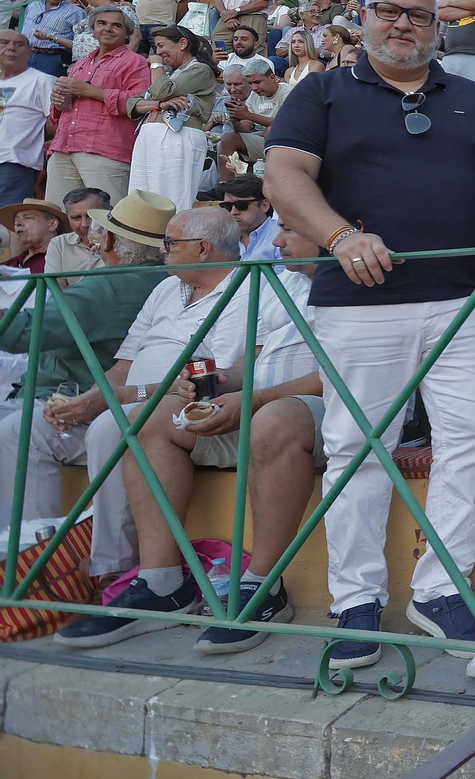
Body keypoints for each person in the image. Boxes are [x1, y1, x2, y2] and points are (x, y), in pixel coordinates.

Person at [263, 0, 475, 670]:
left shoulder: (472, 97)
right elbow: (282, 176)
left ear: (439, 24)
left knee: (471, 441)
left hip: (465, 300)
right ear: (363, 15)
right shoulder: (323, 91)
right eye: (388, 10)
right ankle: (355, 602)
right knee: (356, 449)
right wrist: (340, 236)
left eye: (420, 14)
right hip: (358, 301)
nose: (403, 24)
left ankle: (439, 588)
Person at [52, 219, 326, 651]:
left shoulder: (347, 283)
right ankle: (162, 583)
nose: (273, 240)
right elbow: (252, 364)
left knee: (274, 421)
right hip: (256, 406)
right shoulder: (286, 280)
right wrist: (215, 381)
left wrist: (252, 399)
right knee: (147, 418)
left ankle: (262, 587)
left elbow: (343, 376)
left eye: (289, 228)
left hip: (322, 414)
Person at [0, 191, 171, 534]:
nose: (91, 234)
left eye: (98, 228)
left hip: (71, 400)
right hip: (79, 398)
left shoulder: (112, 284)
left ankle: (33, 560)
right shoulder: (161, 279)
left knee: (15, 432)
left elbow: (22, 332)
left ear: (108, 239)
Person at [46, 5, 148, 205]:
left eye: (116, 25)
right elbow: (61, 113)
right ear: (93, 29)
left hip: (105, 150)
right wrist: (58, 102)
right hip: (64, 146)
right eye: (102, 23)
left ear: (127, 32)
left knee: (107, 220)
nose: (108, 29)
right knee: (58, 215)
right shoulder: (80, 64)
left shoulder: (135, 62)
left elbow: (140, 102)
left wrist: (89, 91)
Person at [126, 26, 216, 211]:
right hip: (149, 137)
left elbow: (161, 91)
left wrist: (156, 64)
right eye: (156, 49)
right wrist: (160, 105)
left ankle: (173, 239)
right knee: (140, 200)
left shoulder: (201, 70)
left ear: (182, 43)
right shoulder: (172, 75)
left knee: (171, 201)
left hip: (177, 137)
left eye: (161, 46)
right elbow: (132, 104)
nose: (158, 52)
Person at [0, 30, 51, 205]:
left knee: (6, 225)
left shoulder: (41, 81)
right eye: (4, 42)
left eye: (19, 44)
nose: (11, 48)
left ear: (30, 53)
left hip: (15, 163)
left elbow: (57, 122)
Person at [19, 0, 83, 78]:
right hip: (26, 55)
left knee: (48, 91)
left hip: (53, 59)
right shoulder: (33, 5)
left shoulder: (76, 13)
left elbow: (80, 43)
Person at [45, 186, 110, 283]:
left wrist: (109, 247)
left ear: (110, 212)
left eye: (91, 216)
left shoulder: (126, 241)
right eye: (76, 218)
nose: (84, 224)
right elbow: (56, 287)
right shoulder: (59, 244)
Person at [217, 174, 281, 265]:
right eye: (227, 206)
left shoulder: (282, 239)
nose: (233, 212)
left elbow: (284, 279)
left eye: (241, 205)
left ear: (264, 206)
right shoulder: (219, 238)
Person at [1, 198, 65, 271]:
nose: (17, 223)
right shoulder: (8, 265)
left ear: (52, 224)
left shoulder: (64, 260)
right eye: (15, 221)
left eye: (27, 217)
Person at [281, 28, 324, 92]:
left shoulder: (317, 66)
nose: (296, 45)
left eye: (300, 42)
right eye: (293, 42)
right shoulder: (289, 71)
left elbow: (312, 90)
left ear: (308, 44)